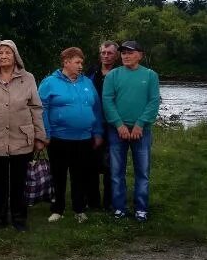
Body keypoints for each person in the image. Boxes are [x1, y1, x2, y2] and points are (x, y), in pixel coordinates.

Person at [0, 39, 46, 231]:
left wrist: (40, 136)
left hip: (22, 138)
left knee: (19, 182)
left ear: (15, 56)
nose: (3, 56)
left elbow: (36, 107)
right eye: (0, 53)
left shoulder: (27, 78)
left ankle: (19, 219)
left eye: (8, 53)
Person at [38, 47, 103, 223]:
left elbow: (96, 109)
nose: (81, 66)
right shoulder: (50, 82)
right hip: (58, 138)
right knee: (58, 175)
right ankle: (57, 209)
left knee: (80, 175)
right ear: (66, 62)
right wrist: (45, 132)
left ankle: (79, 209)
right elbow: (40, 108)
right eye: (77, 62)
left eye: (82, 62)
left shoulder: (87, 83)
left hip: (84, 138)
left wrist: (97, 132)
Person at [102, 40, 160, 222]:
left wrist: (140, 124)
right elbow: (107, 100)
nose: (126, 56)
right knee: (116, 171)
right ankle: (119, 207)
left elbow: (153, 102)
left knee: (142, 171)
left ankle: (141, 208)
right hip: (117, 131)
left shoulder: (150, 76)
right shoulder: (113, 75)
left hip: (141, 131)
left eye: (130, 52)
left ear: (140, 55)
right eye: (124, 53)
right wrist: (119, 124)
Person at [86, 41, 120, 211]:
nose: (106, 56)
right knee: (91, 164)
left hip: (114, 124)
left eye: (110, 53)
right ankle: (92, 201)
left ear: (116, 55)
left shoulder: (121, 73)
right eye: (103, 52)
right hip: (92, 123)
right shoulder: (91, 72)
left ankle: (109, 202)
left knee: (111, 165)